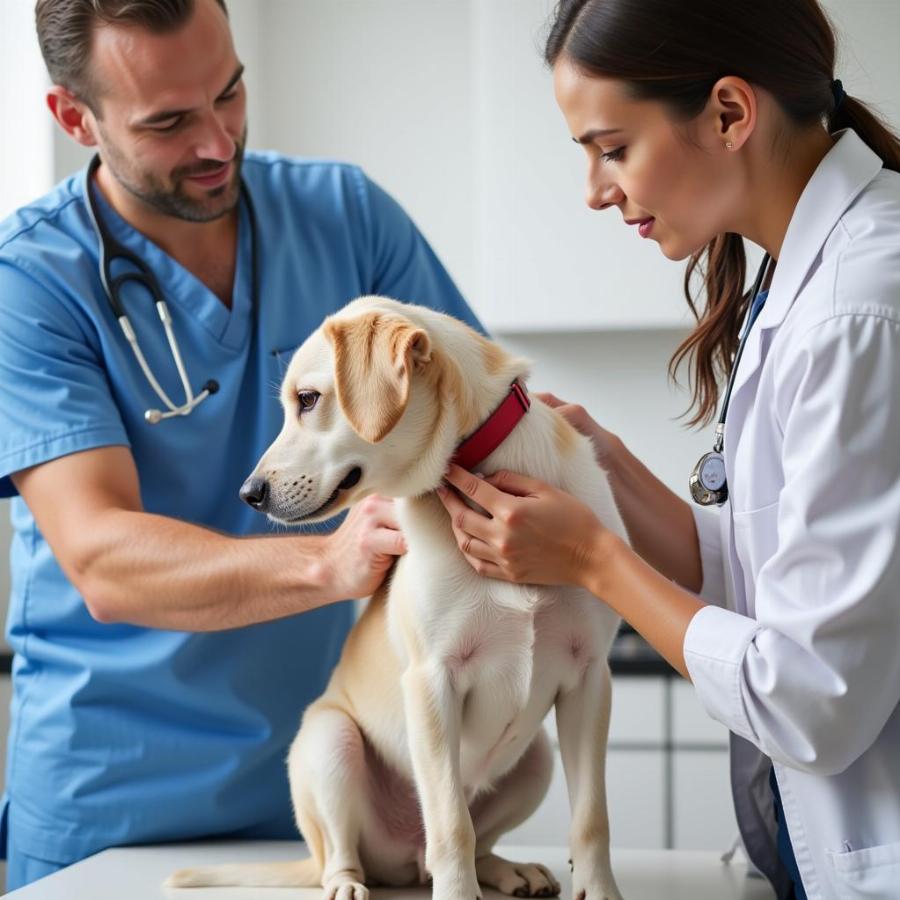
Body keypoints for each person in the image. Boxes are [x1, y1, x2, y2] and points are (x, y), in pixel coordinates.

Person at [0, 0, 480, 890]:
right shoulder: (30, 281)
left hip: (333, 785)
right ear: (75, 117)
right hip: (110, 802)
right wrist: (328, 564)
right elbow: (104, 560)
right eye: (170, 122)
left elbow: (471, 423)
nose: (220, 142)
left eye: (229, 94)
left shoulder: (345, 216)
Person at [437, 1, 900, 898]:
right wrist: (598, 462)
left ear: (729, 113)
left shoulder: (857, 309)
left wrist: (594, 560)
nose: (595, 190)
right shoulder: (799, 278)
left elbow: (814, 700)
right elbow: (773, 582)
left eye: (612, 148)